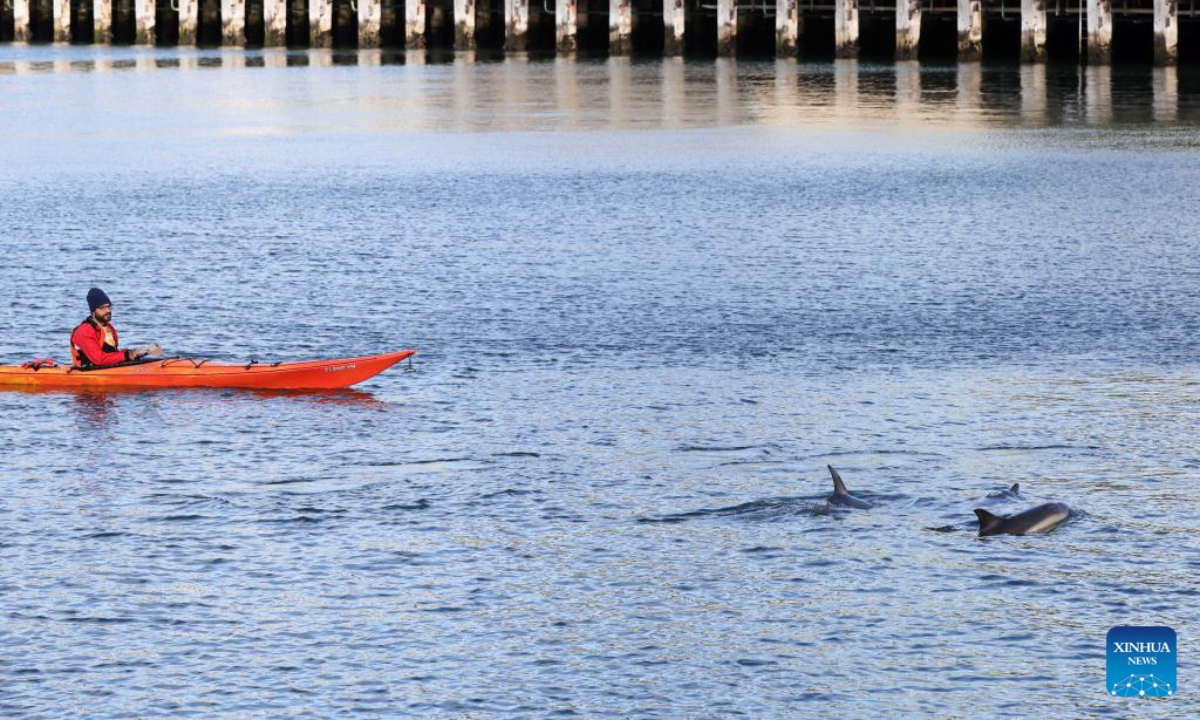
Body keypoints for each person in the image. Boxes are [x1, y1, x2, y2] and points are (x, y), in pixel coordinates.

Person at [69, 288, 160, 367]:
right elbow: (99, 359)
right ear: (93, 311)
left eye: (109, 307)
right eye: (103, 308)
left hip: (106, 368)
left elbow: (112, 354)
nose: (108, 311)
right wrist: (128, 355)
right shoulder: (84, 330)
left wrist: (135, 353)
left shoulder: (109, 327)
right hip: (87, 371)